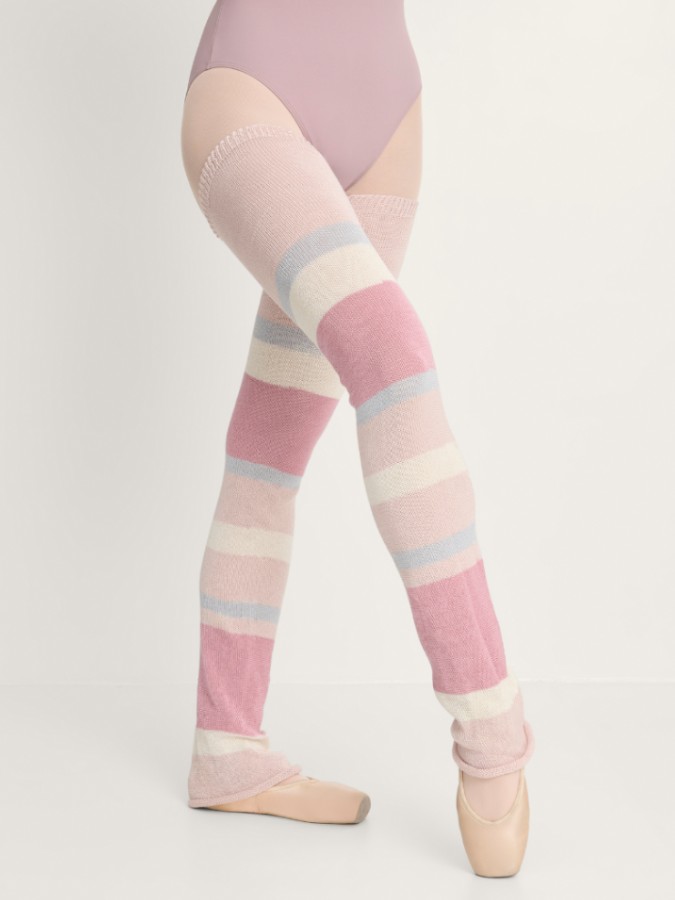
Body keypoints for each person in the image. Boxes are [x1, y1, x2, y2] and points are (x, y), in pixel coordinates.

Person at [180, 0, 535, 877]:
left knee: (271, 450)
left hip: (387, 111)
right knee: (393, 361)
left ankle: (227, 749)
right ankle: (491, 727)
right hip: (251, 83)